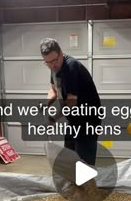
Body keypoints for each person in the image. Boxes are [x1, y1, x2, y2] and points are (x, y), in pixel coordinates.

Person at [40, 38, 101, 166]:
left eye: (54, 60)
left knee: (83, 161)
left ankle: (87, 185)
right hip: (74, 119)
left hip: (88, 119)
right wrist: (46, 104)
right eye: (48, 62)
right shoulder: (54, 68)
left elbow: (71, 102)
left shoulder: (71, 67)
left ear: (61, 53)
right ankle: (74, 184)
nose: (52, 65)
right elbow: (53, 89)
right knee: (69, 157)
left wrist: (53, 118)